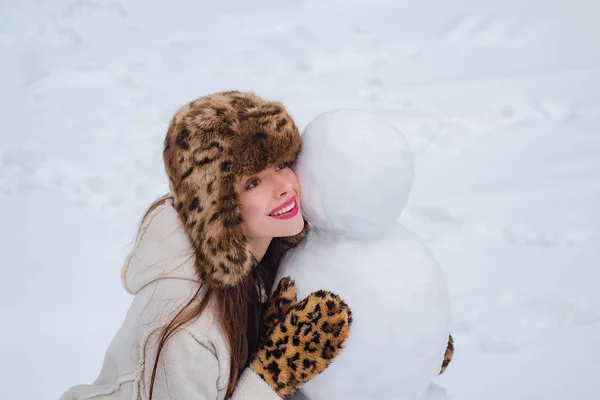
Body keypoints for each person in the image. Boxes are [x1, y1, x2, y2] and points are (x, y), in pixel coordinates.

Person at [60, 91, 353, 400]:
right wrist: (270, 377)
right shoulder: (187, 331)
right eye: (253, 182)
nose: (284, 187)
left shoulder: (260, 259)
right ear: (218, 210)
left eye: (281, 165)